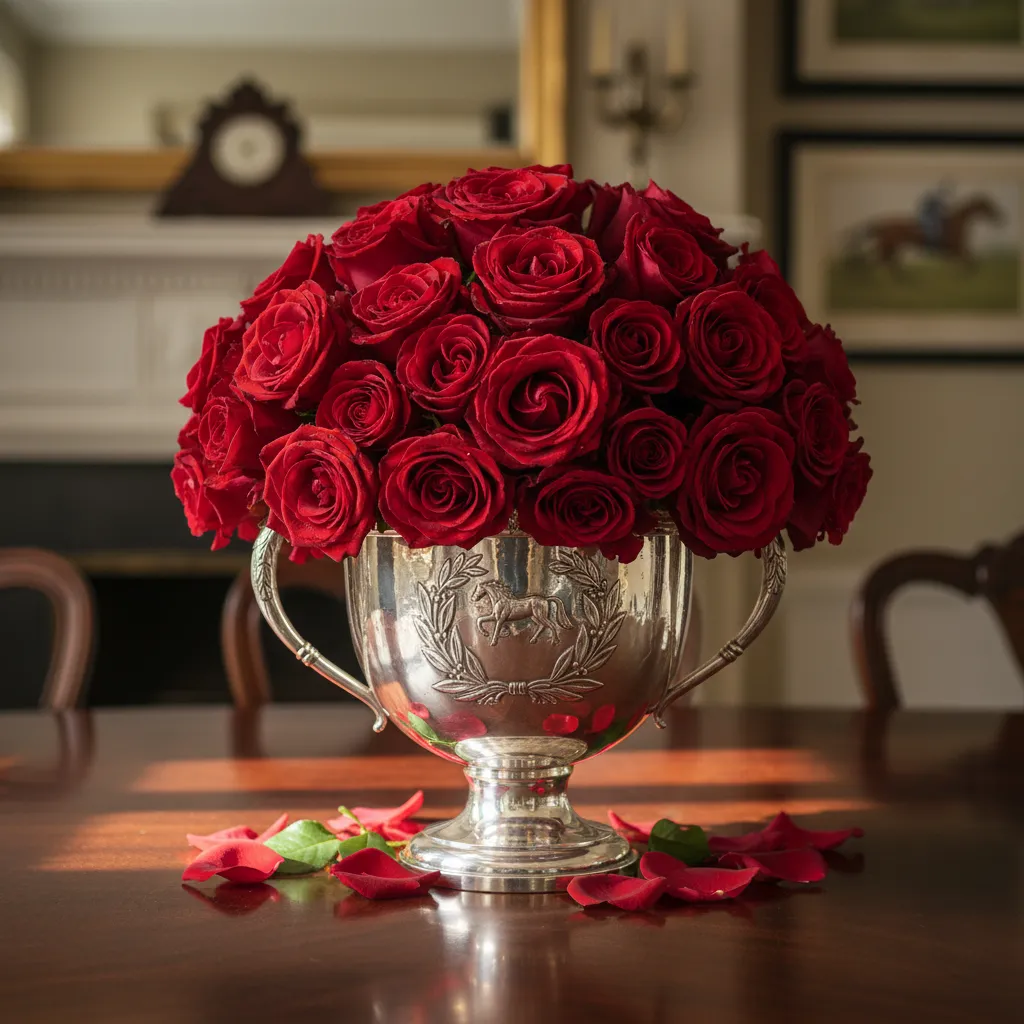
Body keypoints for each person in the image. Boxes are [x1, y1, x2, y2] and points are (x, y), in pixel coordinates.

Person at [917, 182, 953, 249]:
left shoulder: (940, 199)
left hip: (932, 217)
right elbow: (942, 209)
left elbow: (945, 209)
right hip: (928, 218)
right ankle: (931, 244)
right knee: (934, 228)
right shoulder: (935, 198)